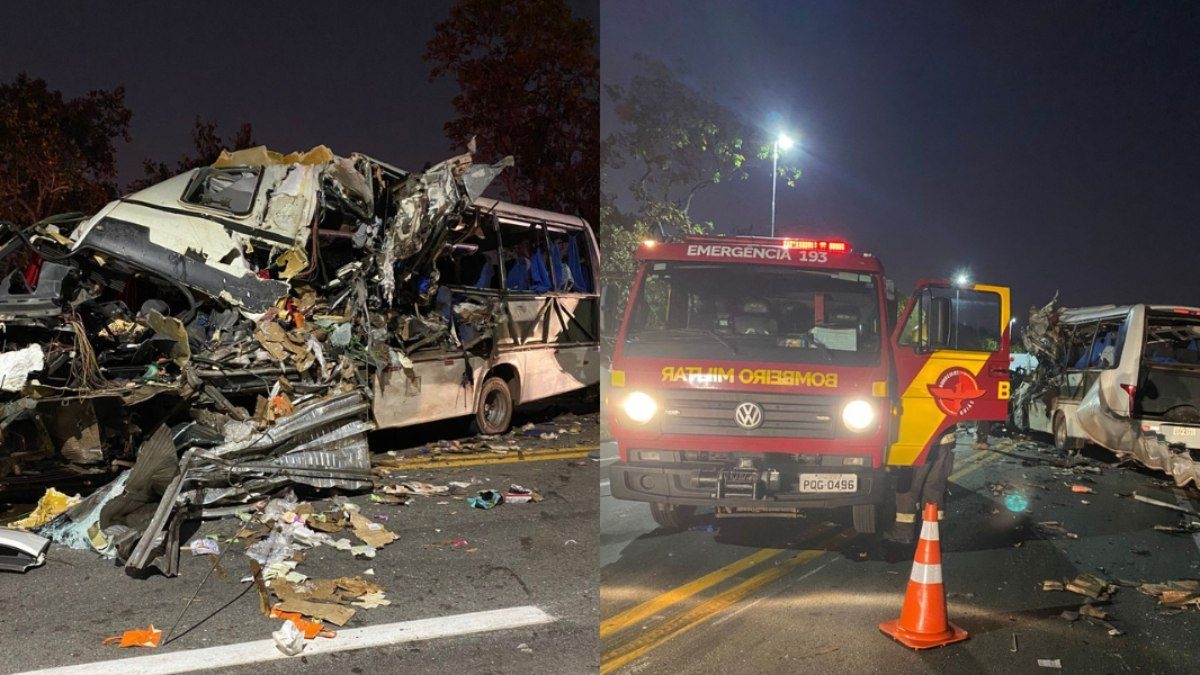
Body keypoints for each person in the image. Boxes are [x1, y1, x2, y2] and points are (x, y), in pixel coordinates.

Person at [885, 428, 956, 544]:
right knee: (934, 489)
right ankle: (931, 532)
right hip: (944, 443)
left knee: (908, 488)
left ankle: (903, 533)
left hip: (920, 442)